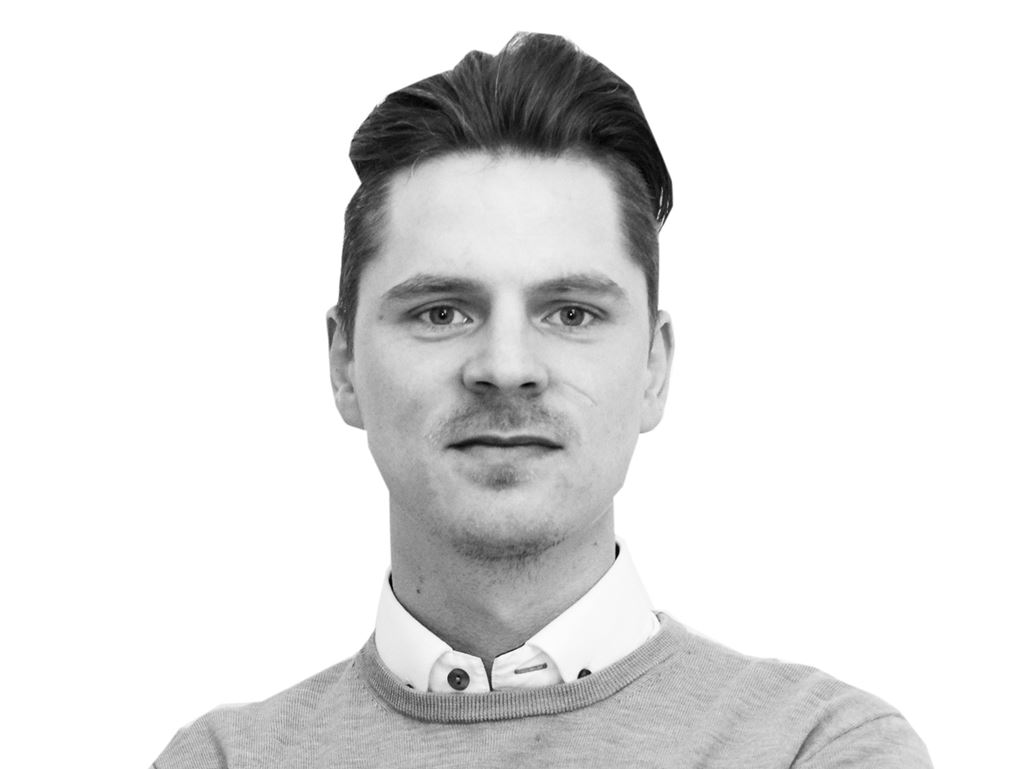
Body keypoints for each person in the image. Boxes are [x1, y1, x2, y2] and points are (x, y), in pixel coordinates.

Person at [152, 32, 931, 768]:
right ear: (344, 363)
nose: (506, 367)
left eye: (572, 313)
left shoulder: (815, 746)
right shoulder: (226, 759)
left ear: (654, 367)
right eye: (441, 312)